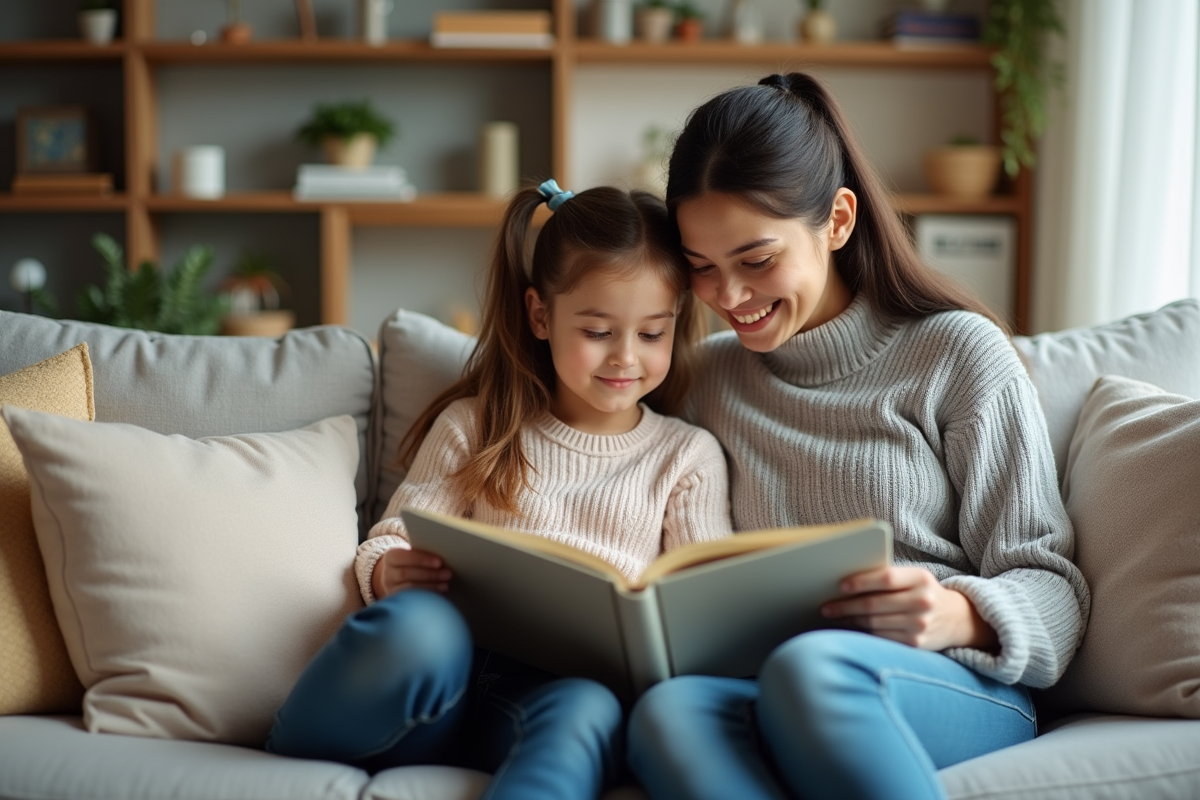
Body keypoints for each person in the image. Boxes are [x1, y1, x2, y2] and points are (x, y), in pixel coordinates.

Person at [625, 72, 1090, 800]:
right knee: (666, 715)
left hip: (938, 683)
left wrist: (956, 613)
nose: (731, 299)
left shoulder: (955, 354)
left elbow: (1054, 587)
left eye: (757, 260)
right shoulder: (704, 379)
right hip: (769, 682)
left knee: (812, 671)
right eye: (701, 270)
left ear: (837, 221)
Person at [265, 180, 733, 800]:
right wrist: (390, 573)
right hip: (438, 681)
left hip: (548, 702)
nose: (626, 357)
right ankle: (290, 749)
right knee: (420, 627)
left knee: (587, 708)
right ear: (541, 315)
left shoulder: (685, 455)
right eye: (597, 331)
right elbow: (392, 537)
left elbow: (707, 600)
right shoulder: (476, 425)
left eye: (652, 334)